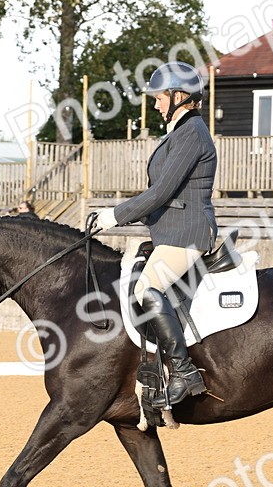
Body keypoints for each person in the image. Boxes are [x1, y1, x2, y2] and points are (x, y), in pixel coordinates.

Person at [93, 61, 217, 407]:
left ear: (179, 96)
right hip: (171, 230)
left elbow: (161, 191)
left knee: (147, 289)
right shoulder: (179, 133)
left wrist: (114, 215)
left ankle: (183, 372)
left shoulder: (191, 133)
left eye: (160, 98)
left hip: (188, 232)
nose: (156, 104)